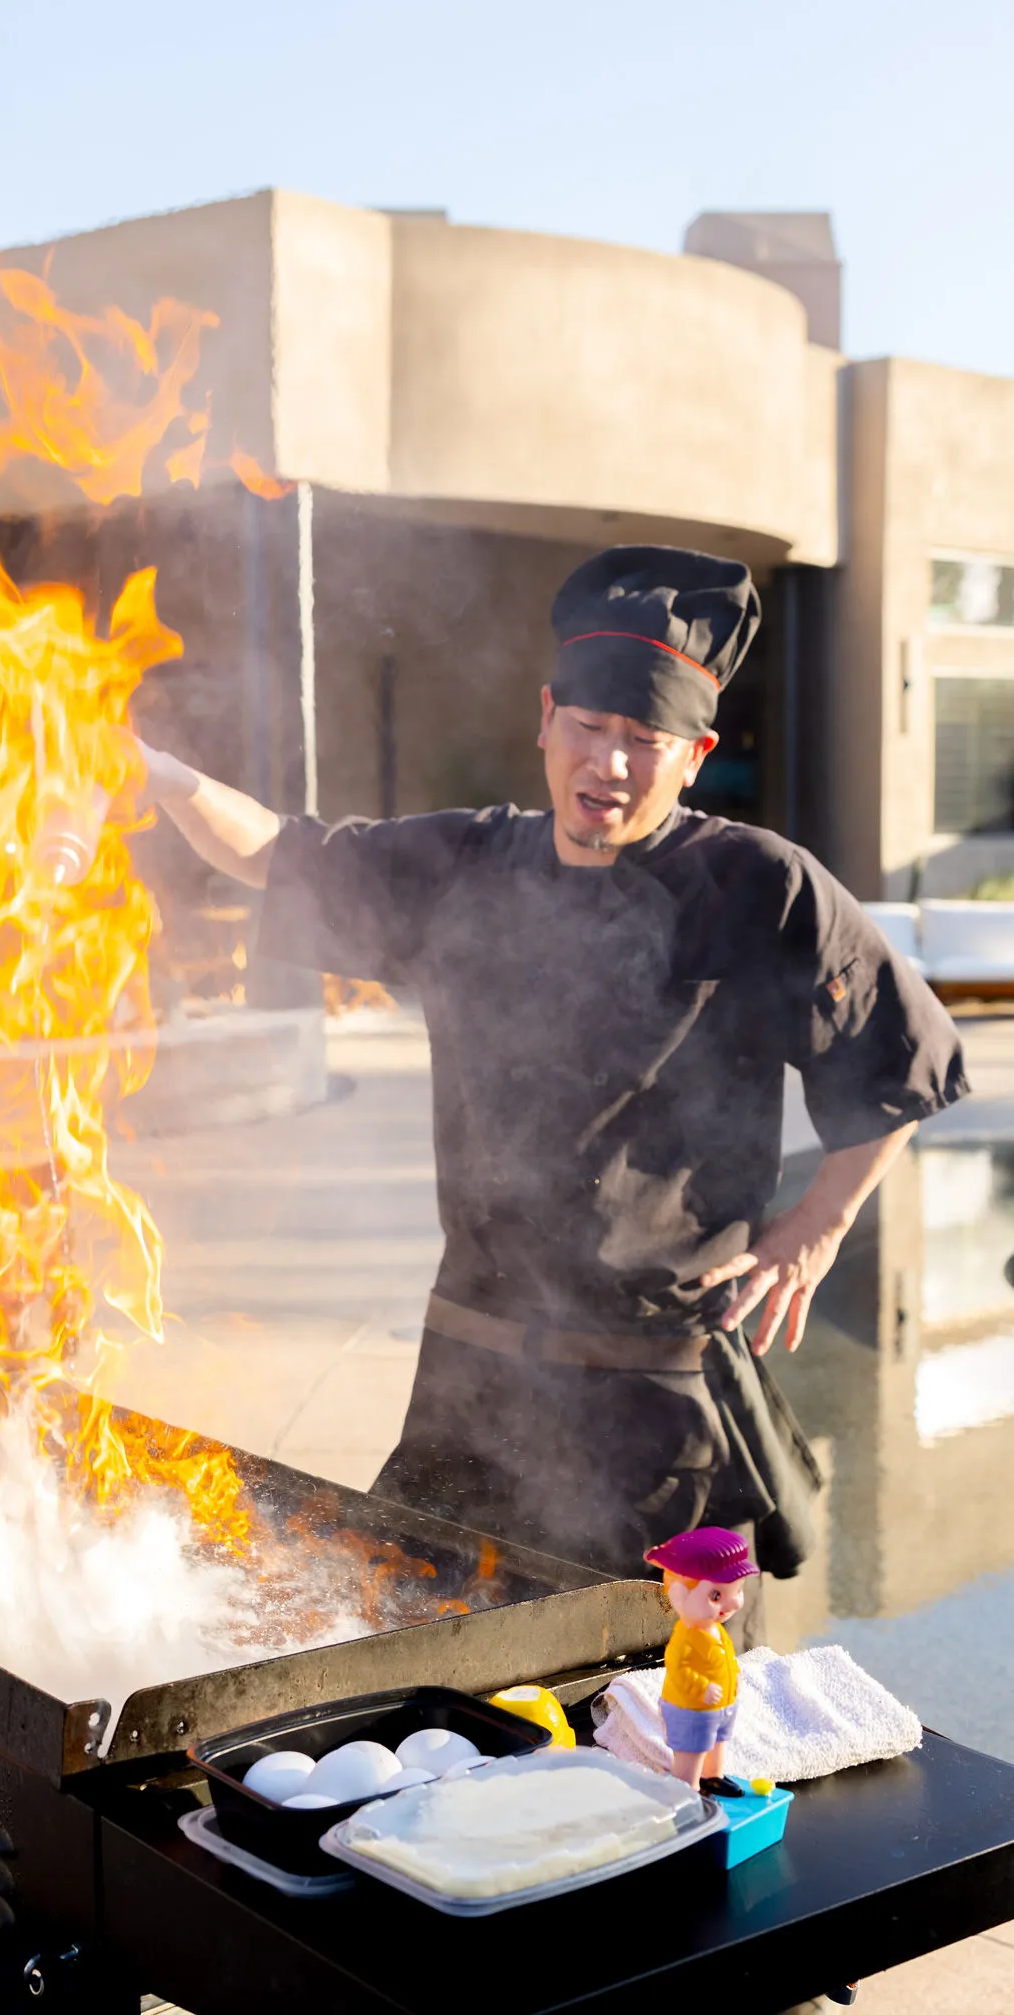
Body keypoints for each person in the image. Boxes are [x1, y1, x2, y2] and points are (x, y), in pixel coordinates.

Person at [135, 545, 967, 1615]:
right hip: (471, 1388)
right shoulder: (469, 863)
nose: (609, 762)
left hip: (660, 1406)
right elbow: (278, 853)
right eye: (587, 727)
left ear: (694, 754)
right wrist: (165, 778)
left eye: (641, 740)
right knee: (422, 1699)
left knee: (660, 1729)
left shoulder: (759, 887)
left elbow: (902, 1050)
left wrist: (821, 1219)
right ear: (544, 720)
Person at [644, 1525, 758, 1796]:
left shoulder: (715, 1629)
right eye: (716, 1596)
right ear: (680, 1596)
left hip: (720, 1706)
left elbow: (724, 1659)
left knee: (718, 1743)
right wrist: (702, 1688)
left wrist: (734, 1679)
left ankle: (712, 1777)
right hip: (690, 1709)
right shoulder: (686, 1637)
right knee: (691, 1751)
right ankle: (687, 1790)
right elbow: (679, 1669)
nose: (731, 1605)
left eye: (738, 1591)